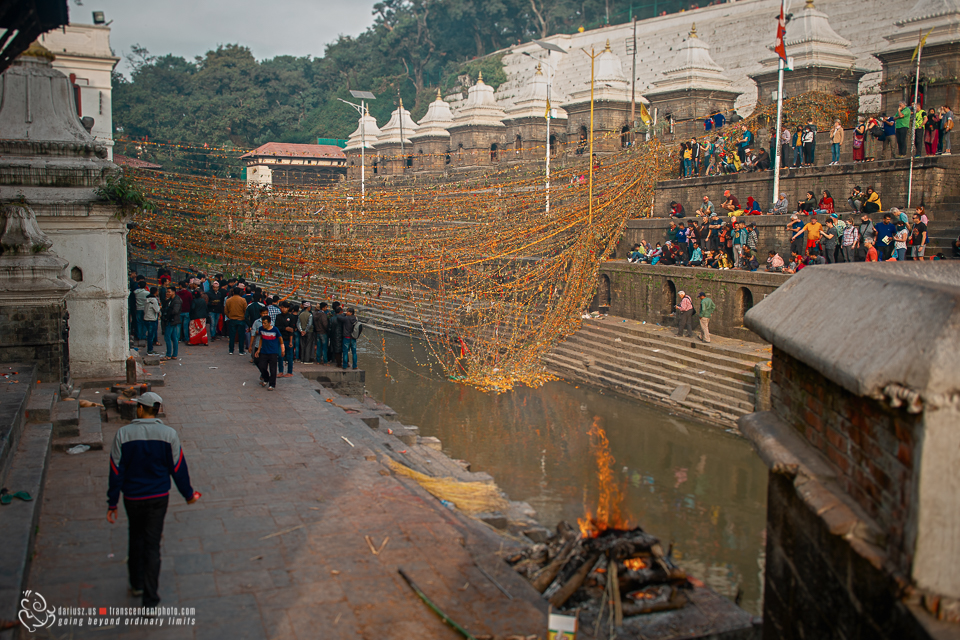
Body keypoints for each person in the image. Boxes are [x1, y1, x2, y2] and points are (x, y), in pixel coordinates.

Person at [107, 392, 200, 609]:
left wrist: (112, 503)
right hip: (158, 496)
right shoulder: (169, 435)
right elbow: (178, 468)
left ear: (140, 409)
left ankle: (137, 583)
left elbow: (115, 471)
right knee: (152, 544)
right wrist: (188, 494)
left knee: (135, 536)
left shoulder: (123, 434)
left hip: (132, 496)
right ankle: (150, 599)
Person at [254, 315, 284, 390]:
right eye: (263, 323)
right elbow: (261, 339)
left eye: (265, 323)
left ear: (269, 323)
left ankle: (272, 384)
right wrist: (258, 350)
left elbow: (280, 339)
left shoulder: (275, 330)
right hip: (264, 351)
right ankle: (266, 378)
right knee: (262, 366)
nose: (263, 325)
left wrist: (282, 349)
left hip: (273, 352)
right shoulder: (261, 329)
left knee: (273, 369)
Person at [275, 301, 297, 377]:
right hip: (280, 339)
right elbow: (277, 327)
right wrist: (285, 328)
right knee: (280, 355)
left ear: (288, 308)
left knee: (289, 356)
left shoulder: (291, 317)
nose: (283, 309)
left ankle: (289, 372)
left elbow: (292, 330)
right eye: (282, 307)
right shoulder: (278, 317)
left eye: (285, 308)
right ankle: (281, 371)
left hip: (288, 339)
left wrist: (291, 341)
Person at [224, 286, 248, 355]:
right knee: (241, 336)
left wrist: (229, 316)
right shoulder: (243, 300)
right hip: (241, 319)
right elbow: (245, 310)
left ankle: (231, 350)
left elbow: (226, 311)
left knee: (232, 336)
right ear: (240, 292)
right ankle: (241, 350)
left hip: (232, 319)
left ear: (233, 292)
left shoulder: (229, 300)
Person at [161, 287, 181, 361]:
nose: (167, 293)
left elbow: (175, 311)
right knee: (174, 337)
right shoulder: (171, 300)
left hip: (172, 320)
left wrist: (166, 311)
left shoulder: (176, 301)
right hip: (172, 320)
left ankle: (169, 354)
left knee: (167, 337)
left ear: (173, 292)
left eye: (169, 292)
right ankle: (174, 354)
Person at [144, 287, 161, 356]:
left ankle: (150, 349)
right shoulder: (154, 300)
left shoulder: (147, 299)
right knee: (151, 335)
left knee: (150, 335)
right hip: (152, 319)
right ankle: (150, 350)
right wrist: (160, 307)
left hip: (147, 318)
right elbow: (157, 310)